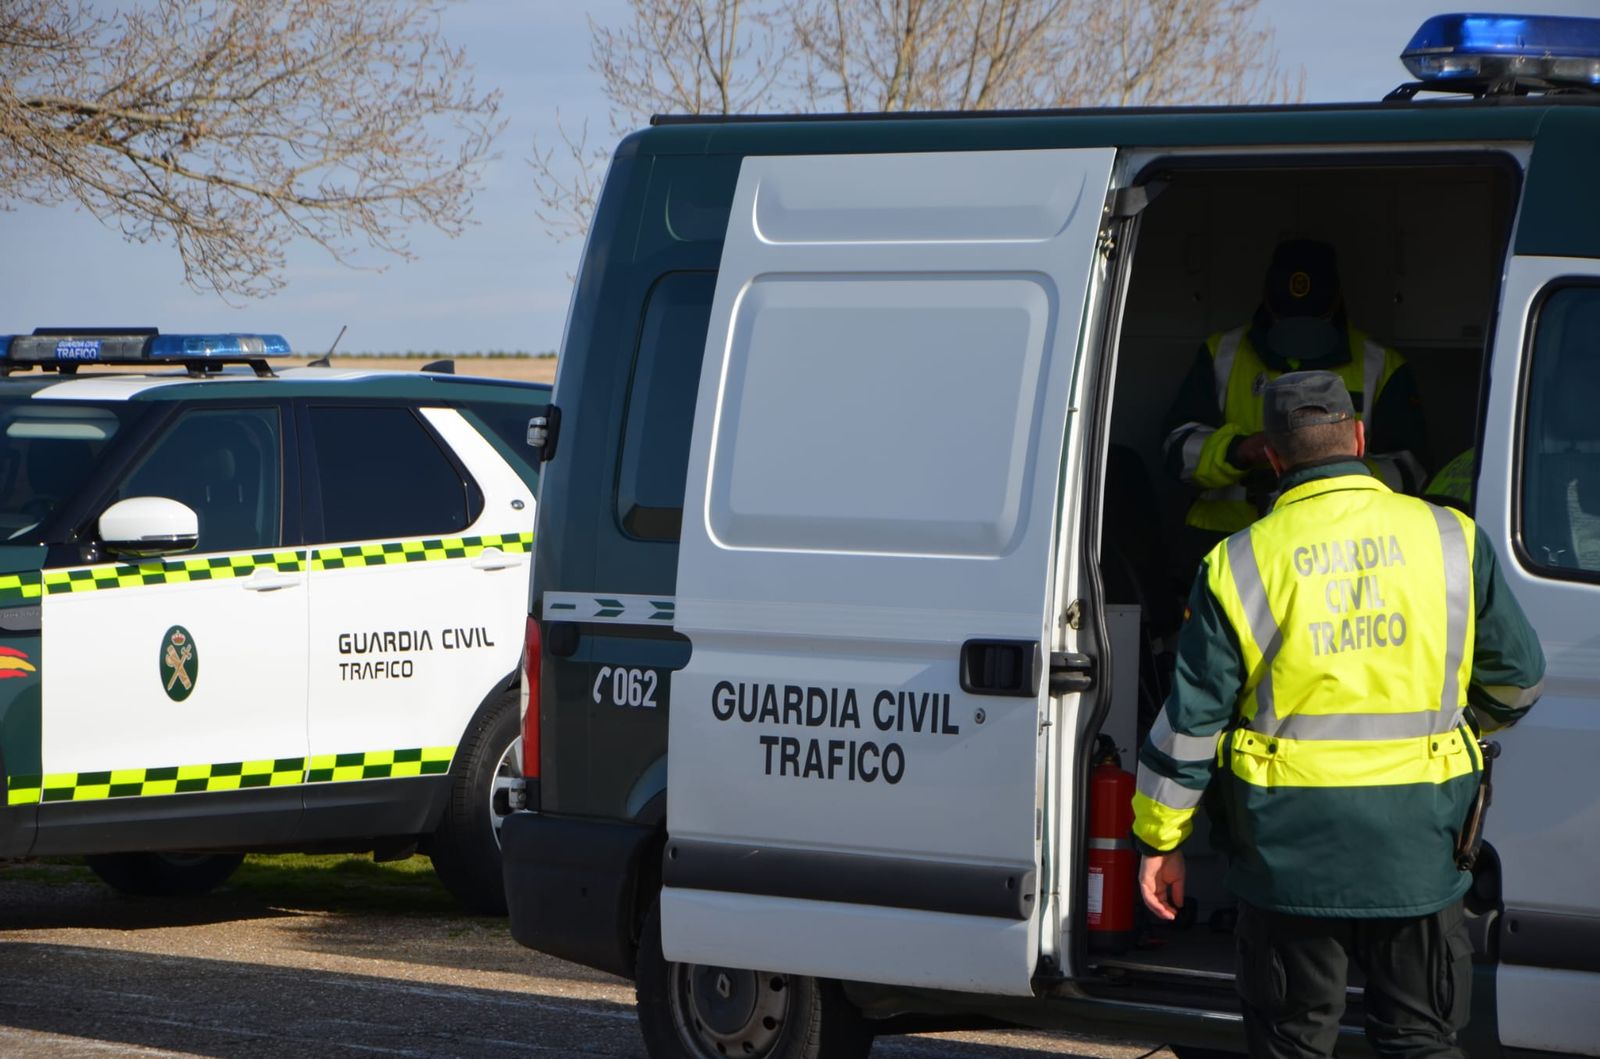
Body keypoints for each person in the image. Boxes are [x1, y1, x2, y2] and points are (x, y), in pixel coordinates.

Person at [1132, 372, 1545, 1059]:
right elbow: (1519, 681)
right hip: (1419, 846)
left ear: (1271, 456)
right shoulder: (1452, 537)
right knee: (1420, 1040)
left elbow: (1191, 724)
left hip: (1288, 855)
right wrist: (1457, 726)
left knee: (1293, 1043)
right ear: (1358, 438)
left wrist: (1160, 839)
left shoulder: (1237, 562)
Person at [1163, 240, 1431, 565]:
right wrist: (1238, 450)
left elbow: (1412, 473)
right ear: (1266, 301)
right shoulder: (1222, 353)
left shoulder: (1381, 365)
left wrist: (1328, 467)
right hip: (1224, 544)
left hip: (1339, 547)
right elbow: (1177, 449)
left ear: (1337, 303)